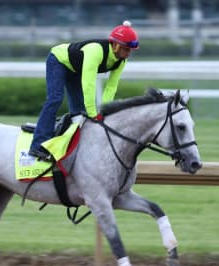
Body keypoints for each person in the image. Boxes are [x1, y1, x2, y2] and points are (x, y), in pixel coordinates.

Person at [29, 20, 139, 161]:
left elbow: (111, 87)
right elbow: (88, 83)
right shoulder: (96, 51)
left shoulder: (121, 61)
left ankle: (74, 147)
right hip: (58, 60)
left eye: (130, 50)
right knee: (55, 99)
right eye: (126, 49)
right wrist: (93, 113)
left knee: (80, 112)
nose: (128, 53)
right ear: (116, 45)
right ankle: (38, 145)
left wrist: (105, 111)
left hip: (75, 69)